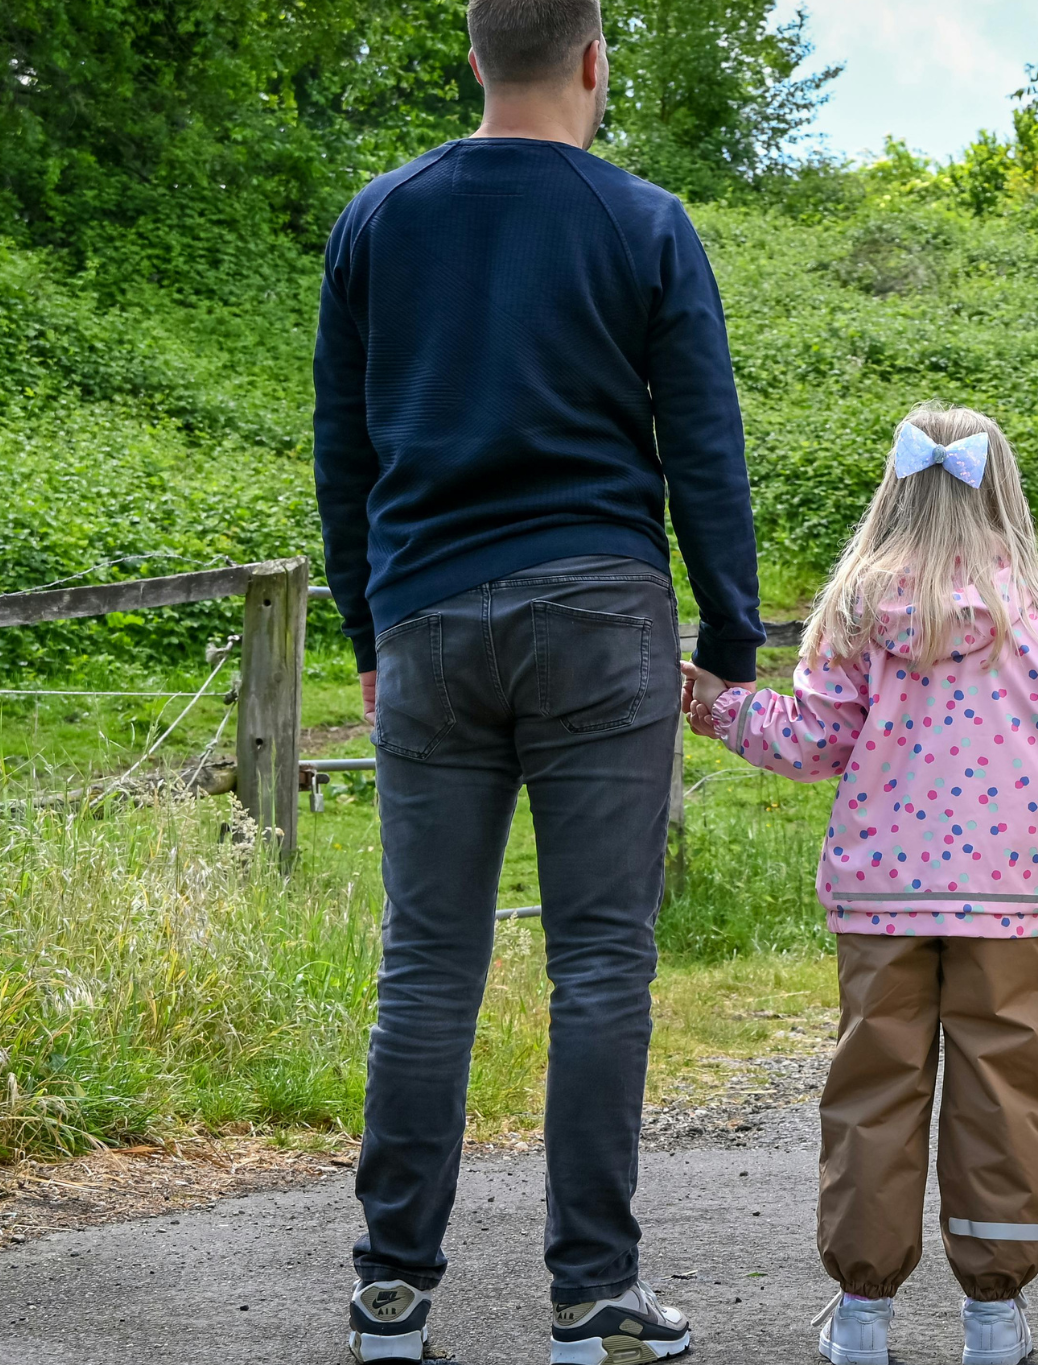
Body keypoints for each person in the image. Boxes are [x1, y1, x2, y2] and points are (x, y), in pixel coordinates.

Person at [311, 1, 762, 1360]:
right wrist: (730, 640)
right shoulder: (643, 224)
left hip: (430, 613)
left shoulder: (378, 220)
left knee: (428, 964)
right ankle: (590, 1295)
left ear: (472, 59)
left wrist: (371, 639)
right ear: (591, 60)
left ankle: (392, 1292)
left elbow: (344, 449)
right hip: (598, 612)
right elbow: (701, 440)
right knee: (603, 962)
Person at [683, 404, 1038, 1365]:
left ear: (896, 491)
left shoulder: (858, 609)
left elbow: (811, 740)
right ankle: (993, 1315)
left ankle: (861, 1313)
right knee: (1003, 1090)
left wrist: (722, 707)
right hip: (1013, 901)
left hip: (882, 897)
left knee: (872, 1089)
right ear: (1004, 492)